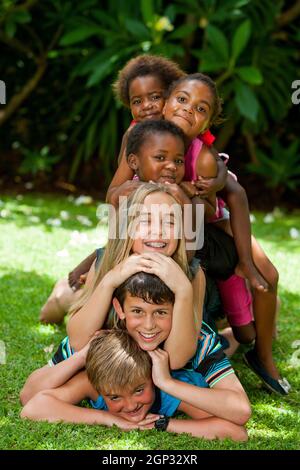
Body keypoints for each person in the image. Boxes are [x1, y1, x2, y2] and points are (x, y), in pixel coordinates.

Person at [39, 54, 186, 325]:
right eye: (137, 101)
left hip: (173, 230)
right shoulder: (134, 136)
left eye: (155, 97)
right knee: (97, 285)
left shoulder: (184, 131)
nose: (147, 106)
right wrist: (135, 188)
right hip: (138, 227)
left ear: (173, 94)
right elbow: (113, 195)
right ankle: (63, 297)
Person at [21, 289, 251, 441]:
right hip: (114, 325)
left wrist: (162, 423)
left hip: (192, 329)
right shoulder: (94, 379)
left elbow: (236, 432)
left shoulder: (168, 391)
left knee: (231, 341)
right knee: (70, 293)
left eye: (139, 390)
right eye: (114, 397)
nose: (130, 406)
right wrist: (110, 419)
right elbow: (33, 406)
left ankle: (247, 329)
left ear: (152, 378)